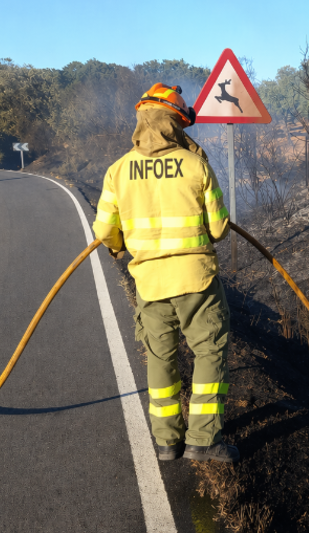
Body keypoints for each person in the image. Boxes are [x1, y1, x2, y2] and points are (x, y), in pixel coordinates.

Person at [92, 83, 239, 462]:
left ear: (142, 119)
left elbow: (106, 231)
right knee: (209, 353)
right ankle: (203, 442)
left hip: (150, 284)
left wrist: (120, 245)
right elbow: (220, 228)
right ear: (177, 122)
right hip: (197, 283)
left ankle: (166, 443)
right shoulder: (196, 165)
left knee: (160, 358)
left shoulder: (117, 171)